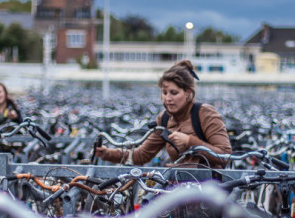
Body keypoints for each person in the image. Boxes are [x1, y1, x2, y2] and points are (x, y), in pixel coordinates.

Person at [95, 60, 232, 167]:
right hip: (179, 183)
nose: (167, 98)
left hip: (209, 188)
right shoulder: (165, 119)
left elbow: (225, 156)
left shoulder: (204, 113)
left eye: (174, 93)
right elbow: (142, 155)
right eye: (164, 93)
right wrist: (107, 153)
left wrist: (190, 141)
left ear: (188, 93)